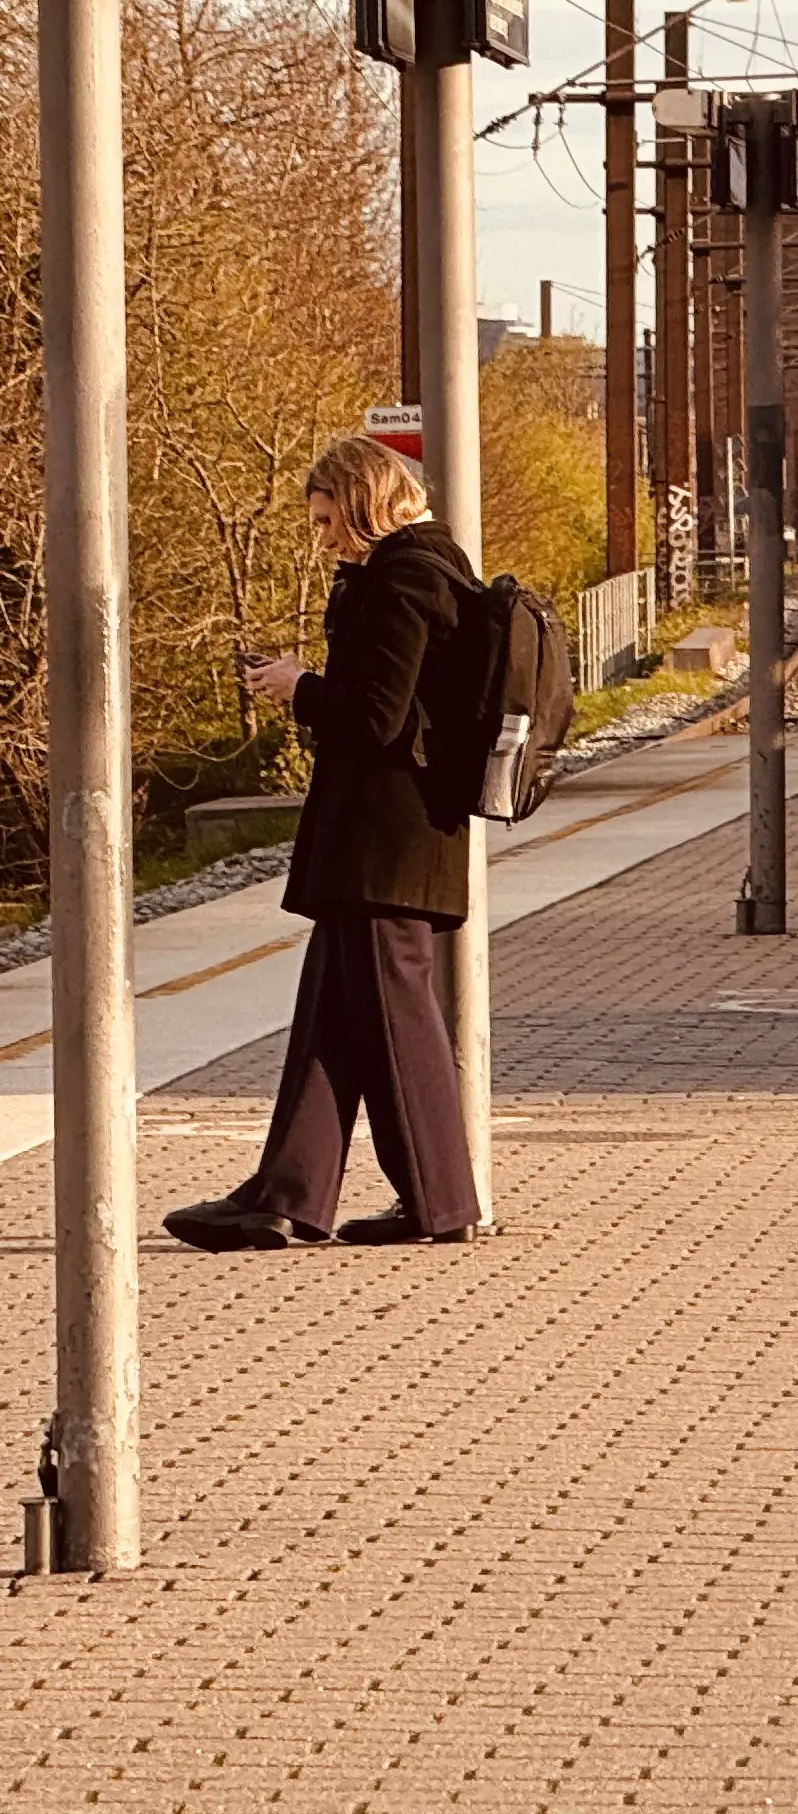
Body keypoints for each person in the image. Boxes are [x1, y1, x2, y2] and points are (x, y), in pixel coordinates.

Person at [164, 433, 487, 1252]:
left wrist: (299, 686)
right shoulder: (416, 573)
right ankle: (287, 1195)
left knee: (395, 1017)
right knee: (332, 1022)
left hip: (388, 842)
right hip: (382, 841)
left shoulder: (406, 578)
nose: (322, 537)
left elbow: (377, 714)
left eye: (327, 519)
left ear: (364, 501)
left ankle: (440, 1203)